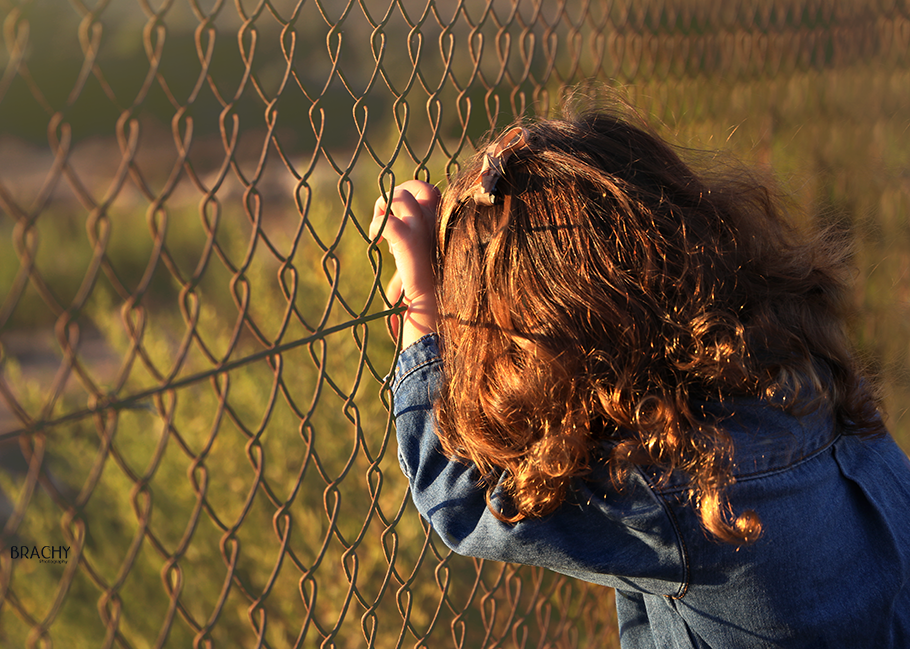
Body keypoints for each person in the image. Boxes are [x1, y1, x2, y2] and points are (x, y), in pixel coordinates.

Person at [369, 104, 910, 648]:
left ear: (549, 332)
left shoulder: (667, 491)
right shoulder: (803, 375)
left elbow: (457, 496)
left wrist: (425, 311)